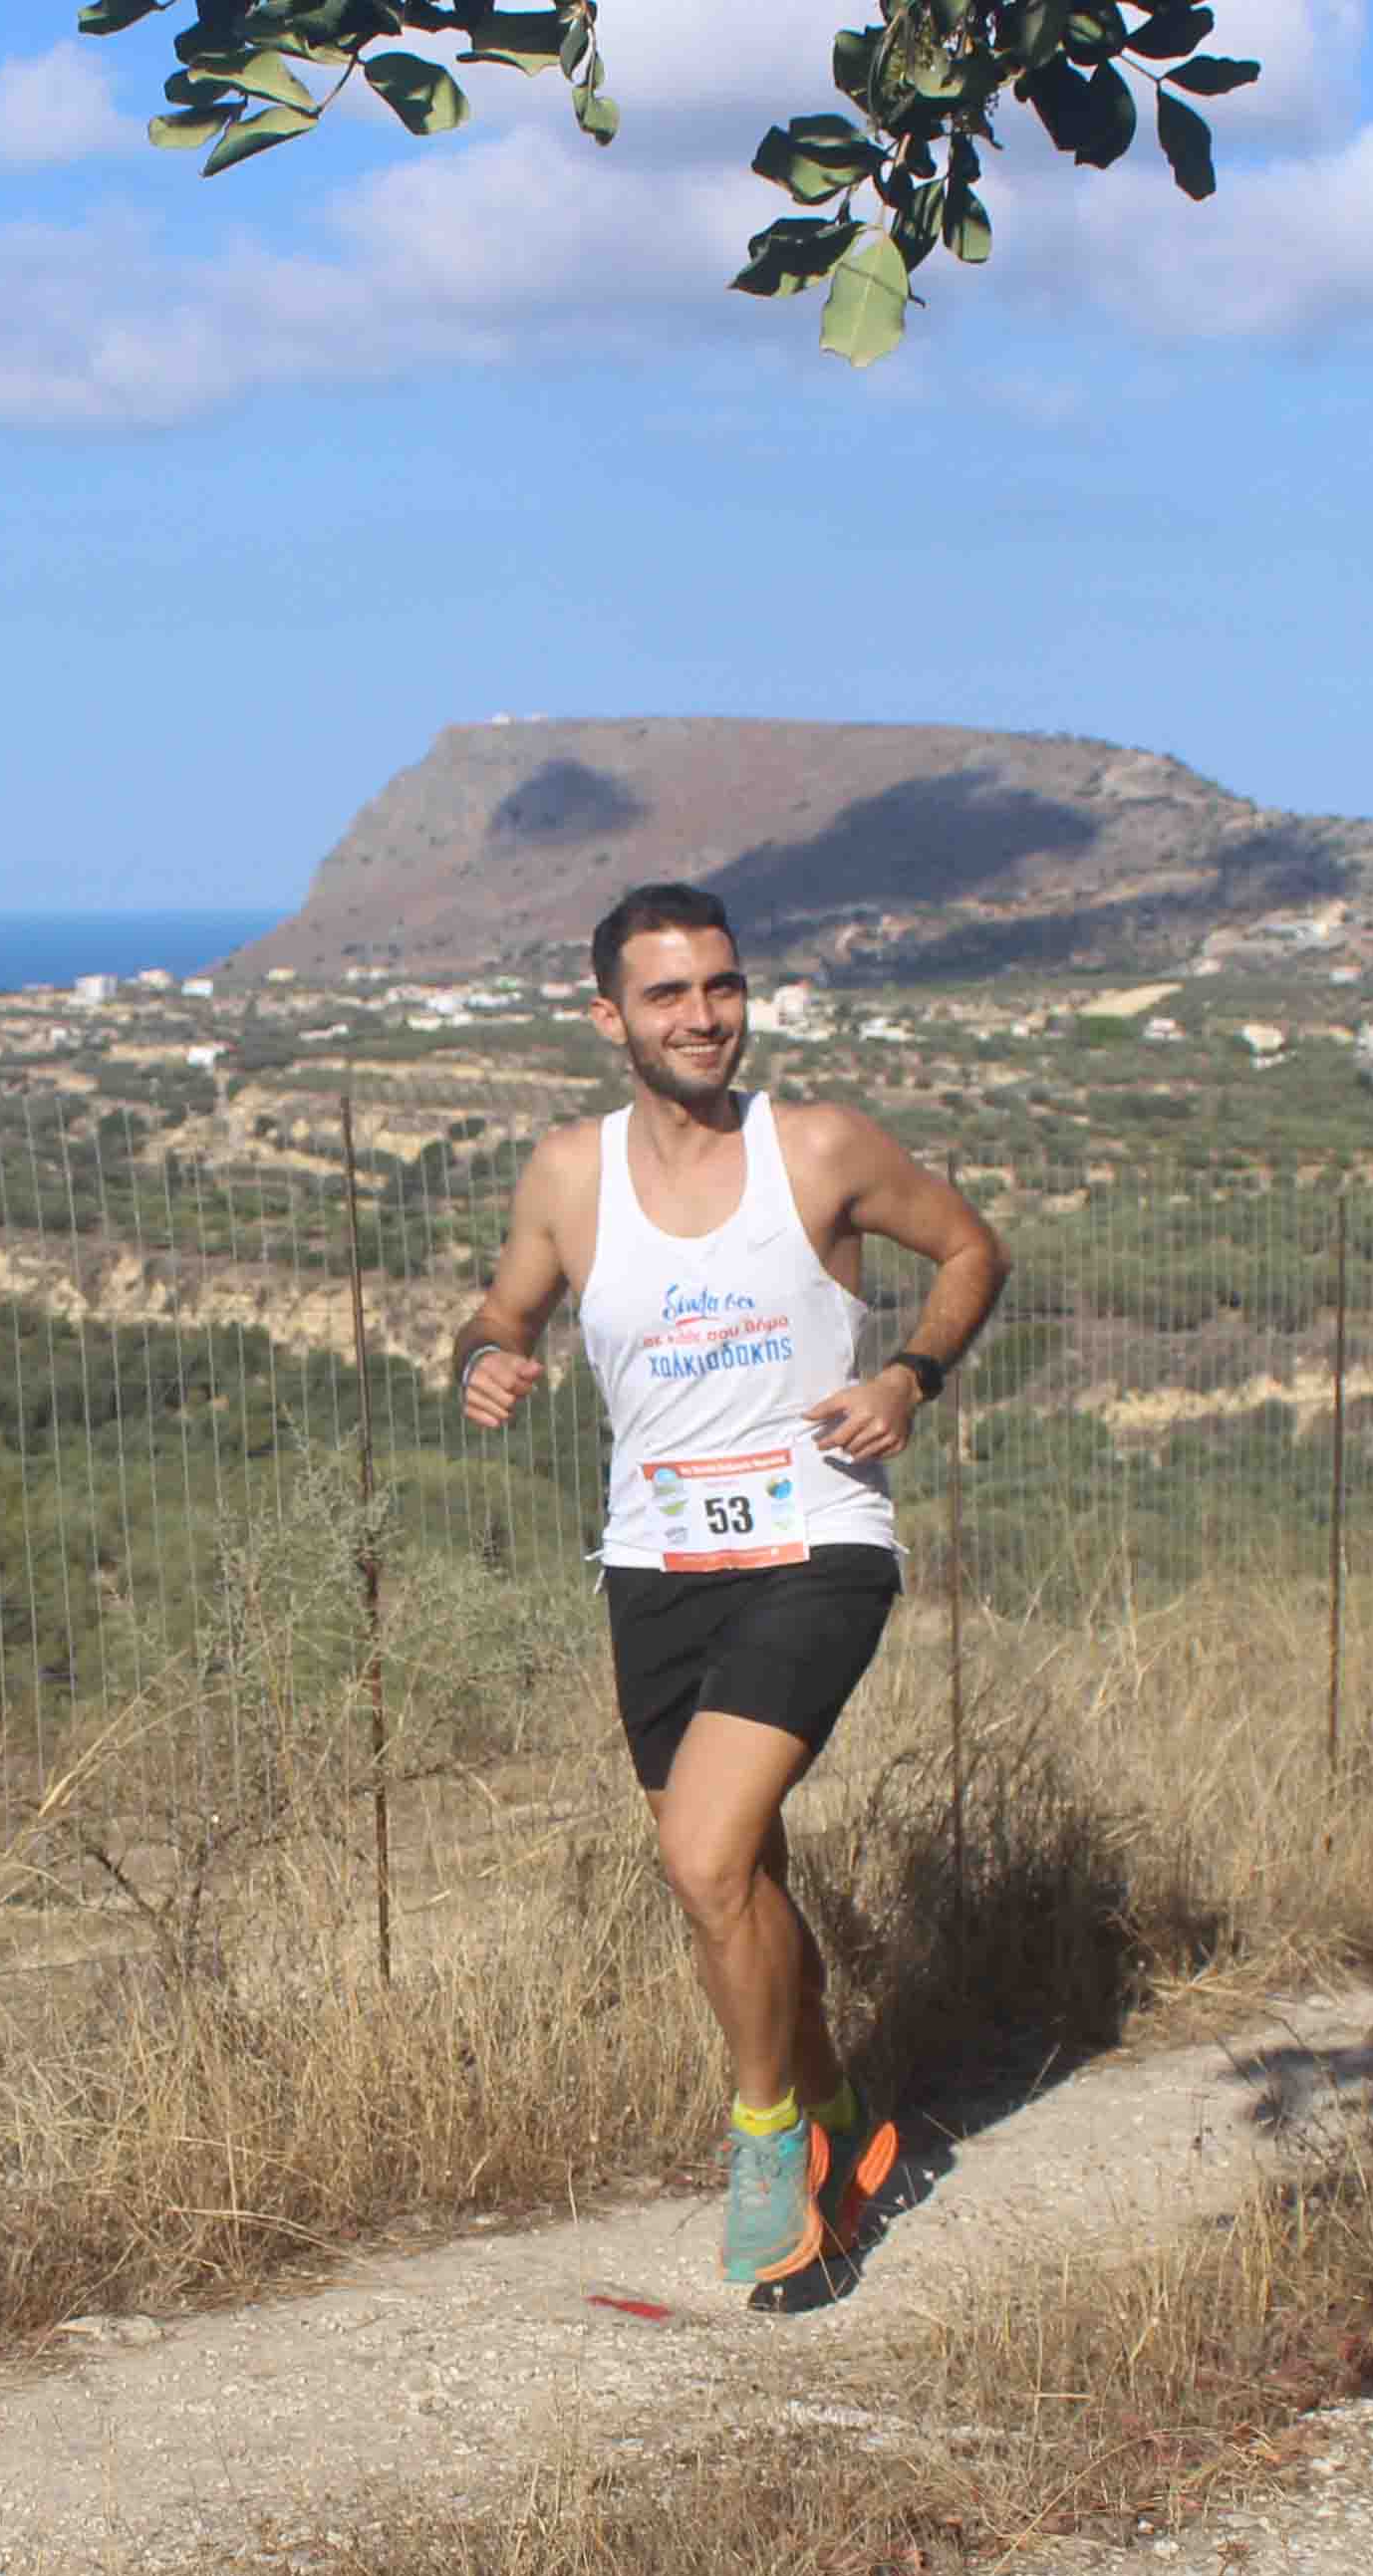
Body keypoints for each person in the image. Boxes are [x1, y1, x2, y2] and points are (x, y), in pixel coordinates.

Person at [453, 882, 1008, 2312]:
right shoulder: (569, 1174)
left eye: (722, 986)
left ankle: (767, 2143)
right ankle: (841, 2125)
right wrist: (490, 1355)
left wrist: (910, 1377)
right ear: (609, 1018)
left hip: (816, 1542)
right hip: (654, 1564)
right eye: (668, 994)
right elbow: (505, 1307)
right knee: (738, 1878)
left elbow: (971, 1248)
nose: (703, 1017)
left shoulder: (815, 1147)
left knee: (701, 1858)